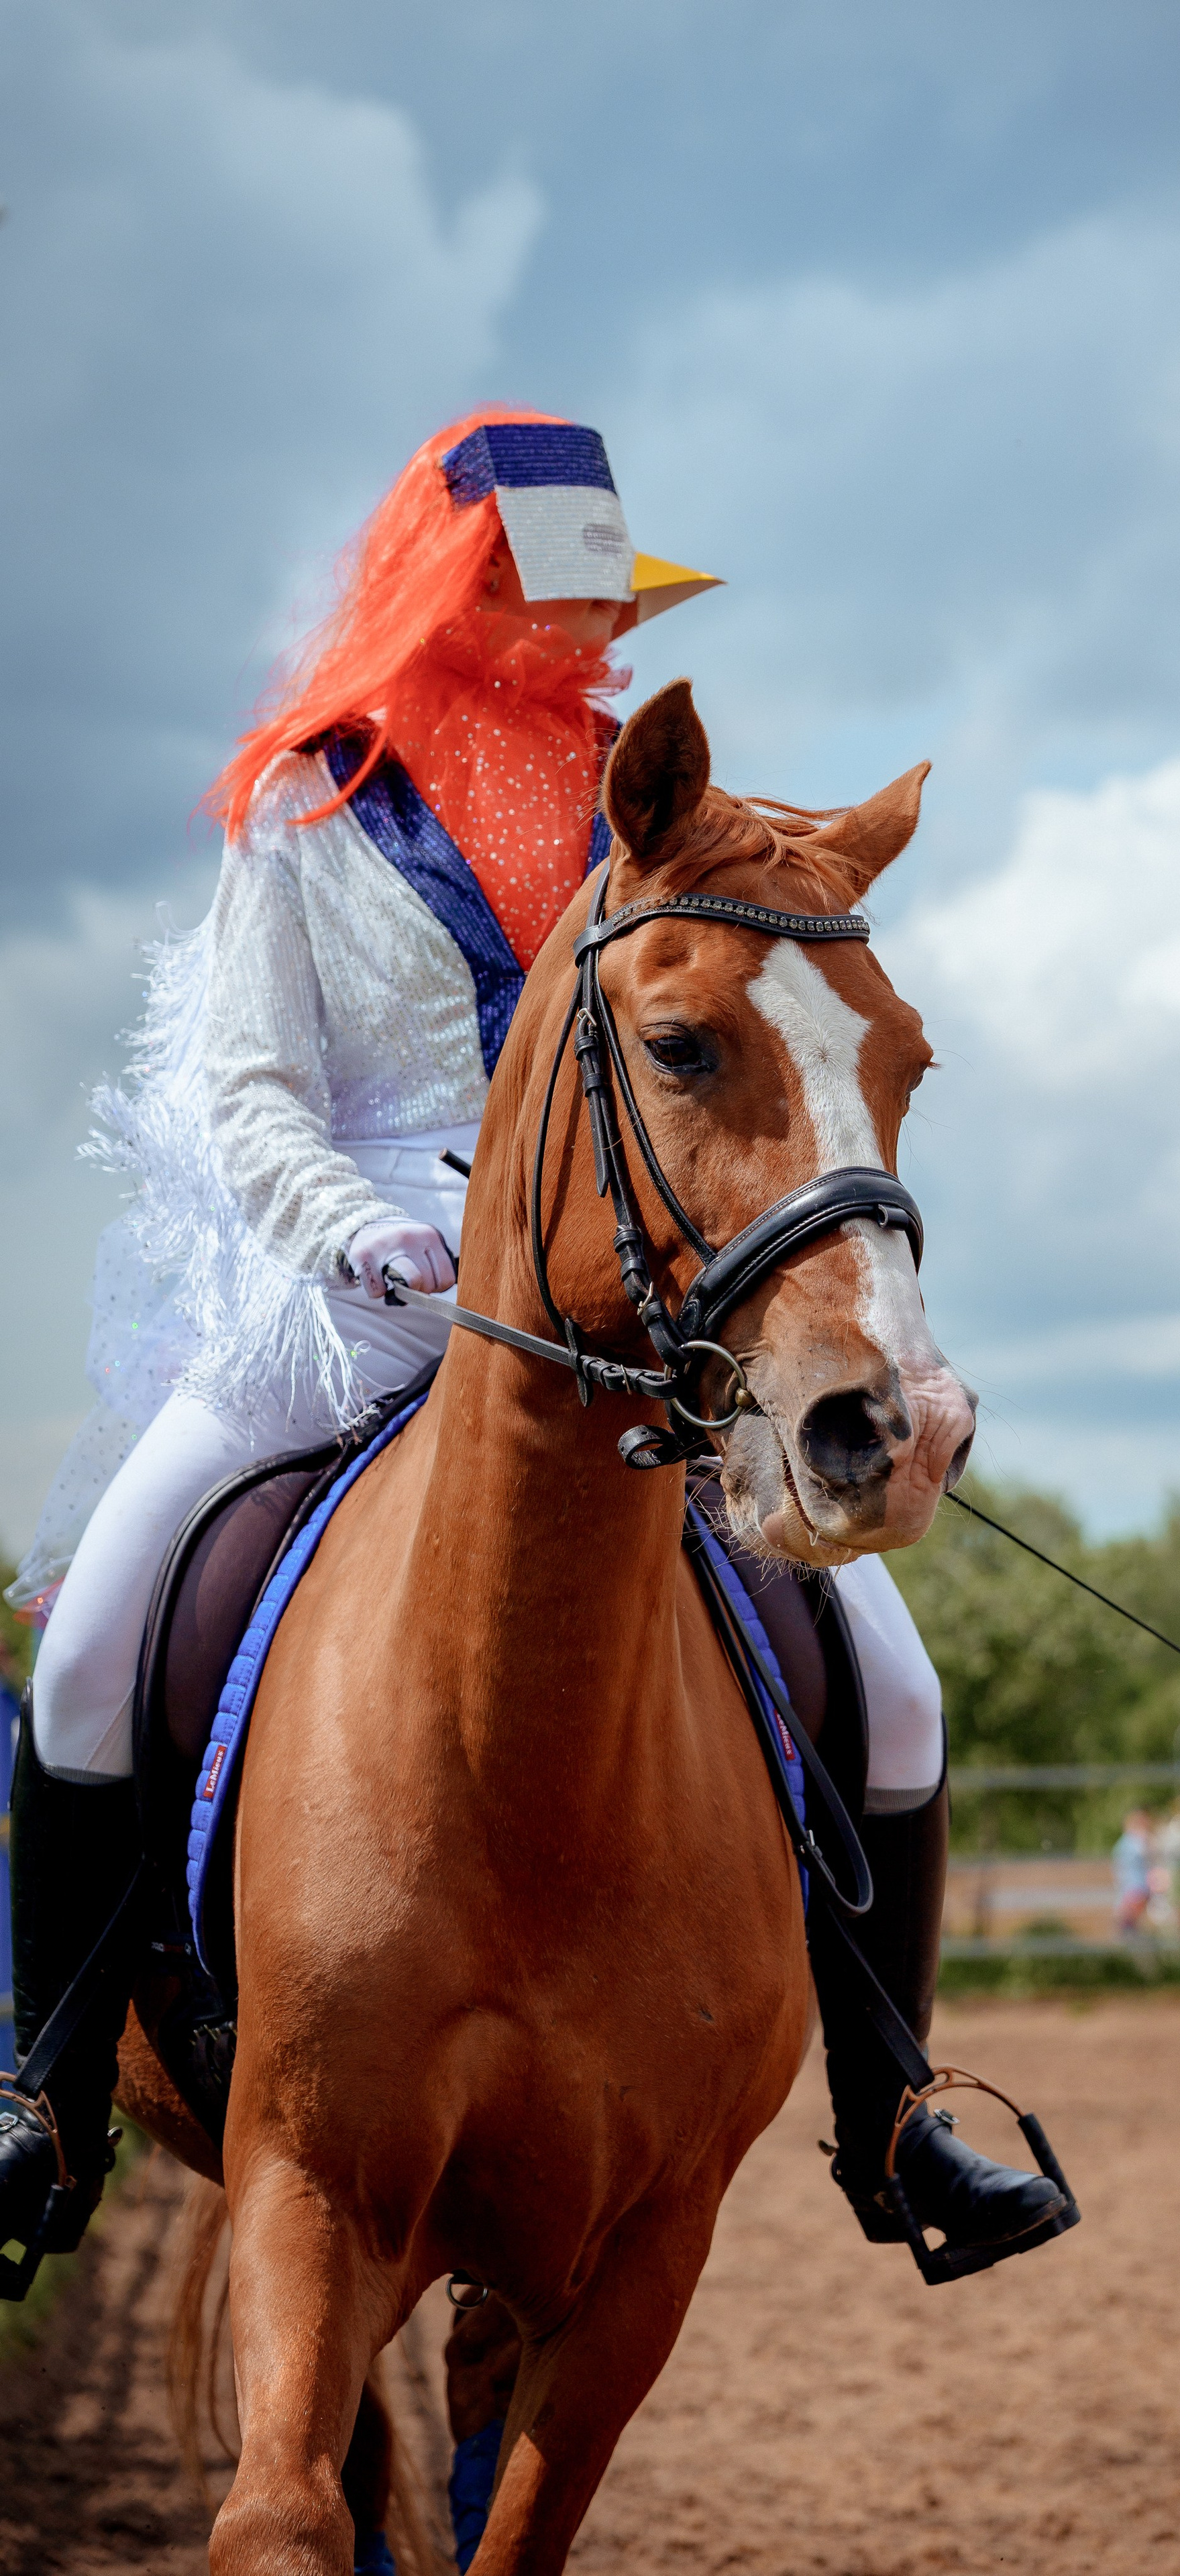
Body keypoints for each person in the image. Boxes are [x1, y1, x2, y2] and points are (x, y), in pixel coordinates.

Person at [0, 408, 1063, 2284]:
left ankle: (898, 2113)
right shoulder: (313, 801)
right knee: (95, 1645)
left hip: (616, 1301)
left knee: (895, 1693)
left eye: (603, 608)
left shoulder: (638, 806)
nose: (589, 640)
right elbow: (250, 1090)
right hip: (344, 1291)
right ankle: (46, 2089)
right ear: (457, 589)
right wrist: (365, 1236)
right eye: (553, 602)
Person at [1112, 1807, 1152, 1933]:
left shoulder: (1125, 1843)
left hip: (1132, 1886)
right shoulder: (1134, 1842)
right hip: (1135, 1886)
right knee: (1130, 1920)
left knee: (1131, 1921)